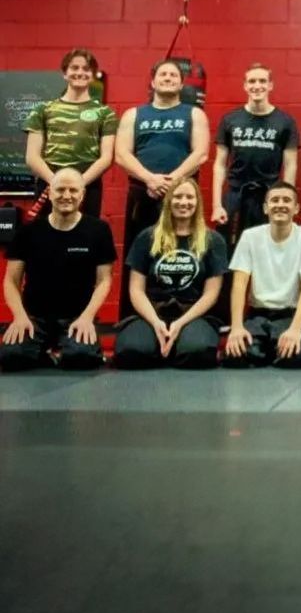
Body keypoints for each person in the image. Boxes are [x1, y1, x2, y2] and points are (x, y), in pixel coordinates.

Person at [114, 59, 210, 317]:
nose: (168, 78)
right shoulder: (134, 115)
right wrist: (150, 179)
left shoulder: (194, 114)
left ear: (181, 83)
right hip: (143, 192)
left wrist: (172, 182)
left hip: (181, 195)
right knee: (141, 253)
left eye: (173, 75)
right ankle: (133, 317)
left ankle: (182, 315)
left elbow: (200, 153)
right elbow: (122, 154)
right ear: (153, 82)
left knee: (181, 253)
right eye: (163, 74)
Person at [0, 169, 115, 372]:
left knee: (81, 357)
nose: (66, 196)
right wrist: (19, 317)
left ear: (82, 195)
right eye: (60, 190)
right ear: (50, 193)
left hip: (76, 318)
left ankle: (68, 350)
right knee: (11, 357)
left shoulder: (99, 230)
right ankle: (43, 354)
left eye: (73, 190)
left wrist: (87, 318)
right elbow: (11, 280)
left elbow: (105, 280)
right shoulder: (28, 231)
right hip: (34, 319)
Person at [114, 177, 227, 369]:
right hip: (153, 312)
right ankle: (160, 341)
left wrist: (180, 323)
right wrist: (156, 322)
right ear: (168, 201)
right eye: (178, 197)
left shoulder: (213, 240)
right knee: (130, 353)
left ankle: (177, 342)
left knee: (198, 354)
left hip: (192, 313)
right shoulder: (147, 237)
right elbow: (136, 290)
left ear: (197, 202)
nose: (184, 202)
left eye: (189, 197)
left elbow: (211, 294)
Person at [223, 181, 301, 369]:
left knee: (295, 358)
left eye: (287, 200)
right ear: (266, 208)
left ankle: (269, 349)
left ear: (296, 208)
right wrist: (236, 327)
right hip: (257, 315)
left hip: (289, 315)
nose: (280, 204)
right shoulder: (250, 237)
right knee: (235, 357)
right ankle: (266, 348)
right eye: (274, 200)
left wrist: (295, 329)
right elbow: (239, 284)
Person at [212, 63, 300, 250]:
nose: (257, 85)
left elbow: (291, 166)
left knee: (264, 250)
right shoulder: (230, 120)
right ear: (245, 85)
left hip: (268, 197)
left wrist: (287, 202)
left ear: (270, 85)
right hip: (236, 196)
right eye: (252, 81)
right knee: (229, 251)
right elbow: (219, 164)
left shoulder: (285, 122)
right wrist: (216, 205)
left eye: (262, 81)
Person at [23, 48, 117, 219]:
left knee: (84, 237)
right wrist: (56, 182)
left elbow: (106, 158)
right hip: (49, 182)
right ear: (64, 73)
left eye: (86, 69)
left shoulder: (105, 113)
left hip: (88, 185)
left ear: (93, 74)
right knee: (46, 238)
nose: (80, 72)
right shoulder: (42, 110)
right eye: (74, 68)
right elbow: (32, 157)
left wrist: (78, 183)